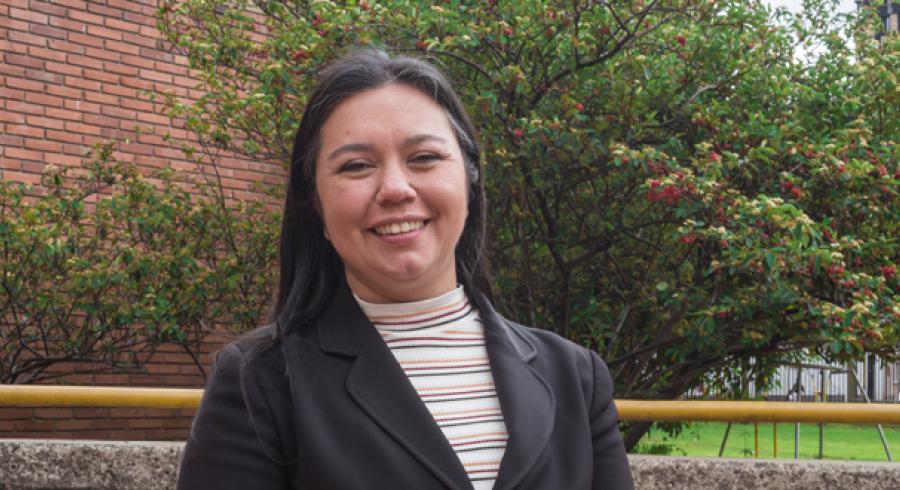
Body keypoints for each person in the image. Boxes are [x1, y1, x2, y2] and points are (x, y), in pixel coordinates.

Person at [177, 49, 633, 490]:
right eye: (356, 166)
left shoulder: (575, 377)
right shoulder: (261, 381)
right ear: (314, 202)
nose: (395, 188)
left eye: (424, 158)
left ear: (470, 178)